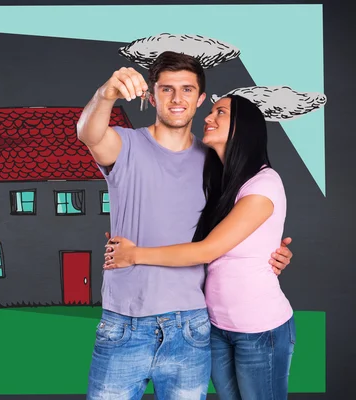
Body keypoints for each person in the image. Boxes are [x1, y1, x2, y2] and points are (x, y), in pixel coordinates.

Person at [76, 51, 293, 400]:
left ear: (200, 99)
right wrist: (106, 94)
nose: (178, 99)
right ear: (151, 96)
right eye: (167, 90)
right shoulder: (125, 144)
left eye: (188, 90)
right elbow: (88, 133)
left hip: (190, 325)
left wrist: (273, 252)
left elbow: (232, 229)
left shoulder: (214, 162)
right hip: (125, 322)